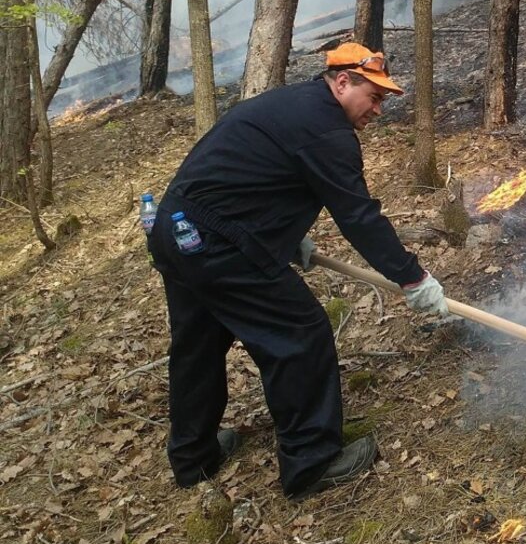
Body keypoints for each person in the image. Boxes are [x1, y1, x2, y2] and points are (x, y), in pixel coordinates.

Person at [147, 42, 449, 500]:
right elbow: (359, 217)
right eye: (375, 96)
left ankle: (194, 457)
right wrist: (413, 278)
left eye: (384, 99)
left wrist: (281, 236)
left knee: (198, 345)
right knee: (300, 334)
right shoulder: (326, 129)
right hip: (217, 245)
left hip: (176, 229)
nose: (379, 110)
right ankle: (312, 461)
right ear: (343, 82)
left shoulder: (293, 105)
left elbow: (251, 175)